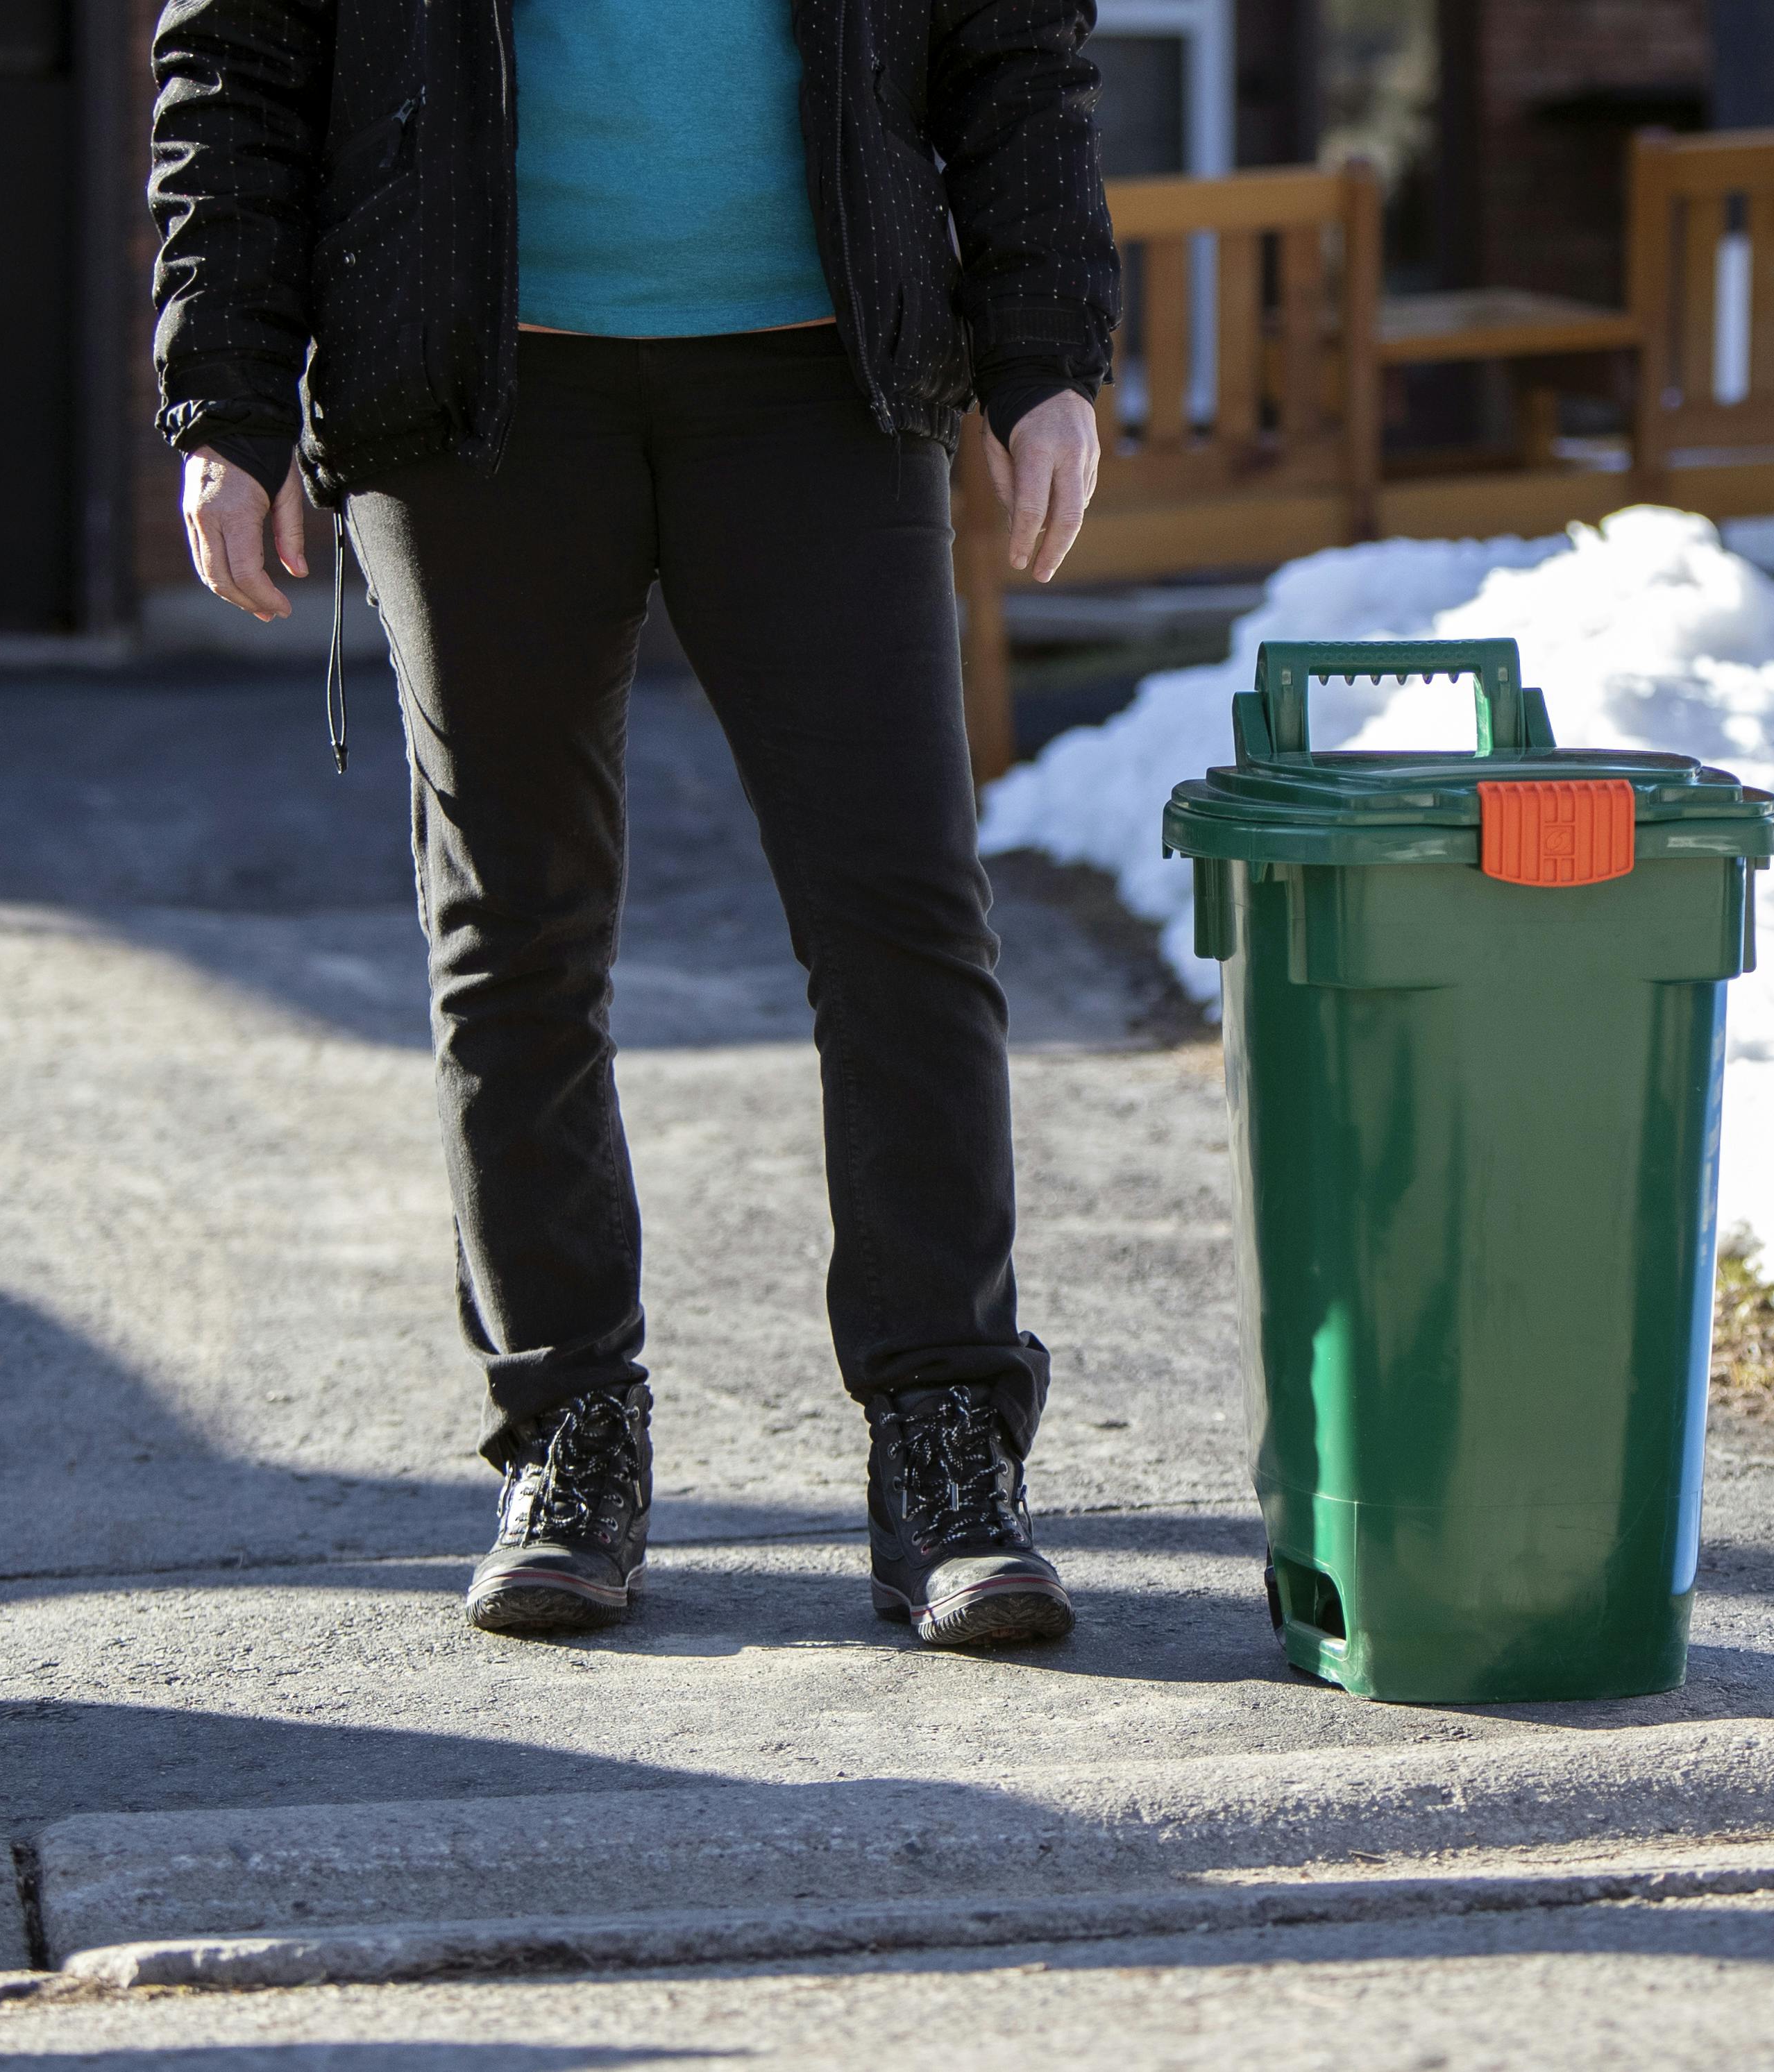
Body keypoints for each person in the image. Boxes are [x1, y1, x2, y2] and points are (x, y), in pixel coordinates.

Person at [148, 0, 1115, 1645]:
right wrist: (224, 390)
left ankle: (944, 1437)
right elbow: (233, 63)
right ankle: (566, 1430)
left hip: (822, 374)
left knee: (901, 918)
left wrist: (1044, 355)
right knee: (513, 928)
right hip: (468, 384)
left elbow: (1013, 46)